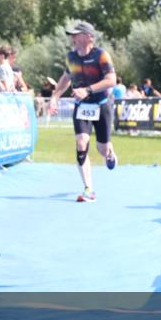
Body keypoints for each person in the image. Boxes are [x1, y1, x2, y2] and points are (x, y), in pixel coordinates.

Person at [47, 21, 118, 203]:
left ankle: (109, 154)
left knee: (102, 149)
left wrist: (87, 90)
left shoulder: (101, 55)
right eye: (71, 34)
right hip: (82, 106)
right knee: (81, 142)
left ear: (89, 37)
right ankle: (88, 189)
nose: (73, 38)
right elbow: (66, 78)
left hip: (102, 104)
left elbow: (111, 80)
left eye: (76, 34)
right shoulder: (71, 57)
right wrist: (55, 97)